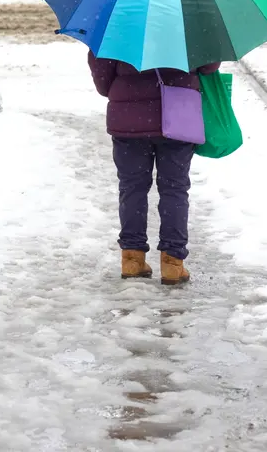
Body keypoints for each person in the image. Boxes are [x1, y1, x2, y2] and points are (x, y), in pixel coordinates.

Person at [89, 51, 220, 285]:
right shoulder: (188, 19)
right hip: (177, 116)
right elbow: (209, 65)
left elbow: (102, 81)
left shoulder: (117, 21)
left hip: (127, 120)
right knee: (174, 189)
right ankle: (172, 263)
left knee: (132, 189)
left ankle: (132, 259)